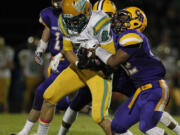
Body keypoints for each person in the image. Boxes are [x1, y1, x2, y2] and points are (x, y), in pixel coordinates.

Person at [58, 2, 180, 135]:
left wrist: (95, 50)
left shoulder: (129, 35)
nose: (109, 20)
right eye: (99, 15)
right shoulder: (95, 31)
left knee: (149, 117)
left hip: (128, 78)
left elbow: (112, 60)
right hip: (109, 75)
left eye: (109, 16)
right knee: (110, 121)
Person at [34, 0, 116, 134]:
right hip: (79, 68)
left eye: (76, 20)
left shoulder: (100, 22)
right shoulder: (63, 21)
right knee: (49, 97)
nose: (72, 24)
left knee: (99, 117)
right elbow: (67, 50)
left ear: (87, 12)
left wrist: (93, 61)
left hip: (99, 72)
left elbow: (111, 61)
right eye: (70, 20)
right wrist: (79, 63)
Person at [11, 0, 73, 134]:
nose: (57, 2)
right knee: (61, 102)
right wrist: (40, 49)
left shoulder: (73, 13)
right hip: (54, 60)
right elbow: (47, 30)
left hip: (68, 60)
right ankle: (83, 106)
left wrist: (61, 54)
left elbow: (77, 40)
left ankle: (27, 132)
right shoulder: (48, 13)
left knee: (41, 91)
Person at [18, 36, 44, 112]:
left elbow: (22, 66)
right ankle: (25, 109)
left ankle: (29, 109)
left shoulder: (25, 53)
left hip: (33, 77)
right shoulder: (26, 53)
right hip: (31, 77)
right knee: (29, 95)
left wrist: (22, 76)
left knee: (31, 95)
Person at [0, 35, 14, 112]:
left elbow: (11, 65)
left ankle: (5, 111)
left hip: (5, 76)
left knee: (4, 96)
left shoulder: (8, 51)